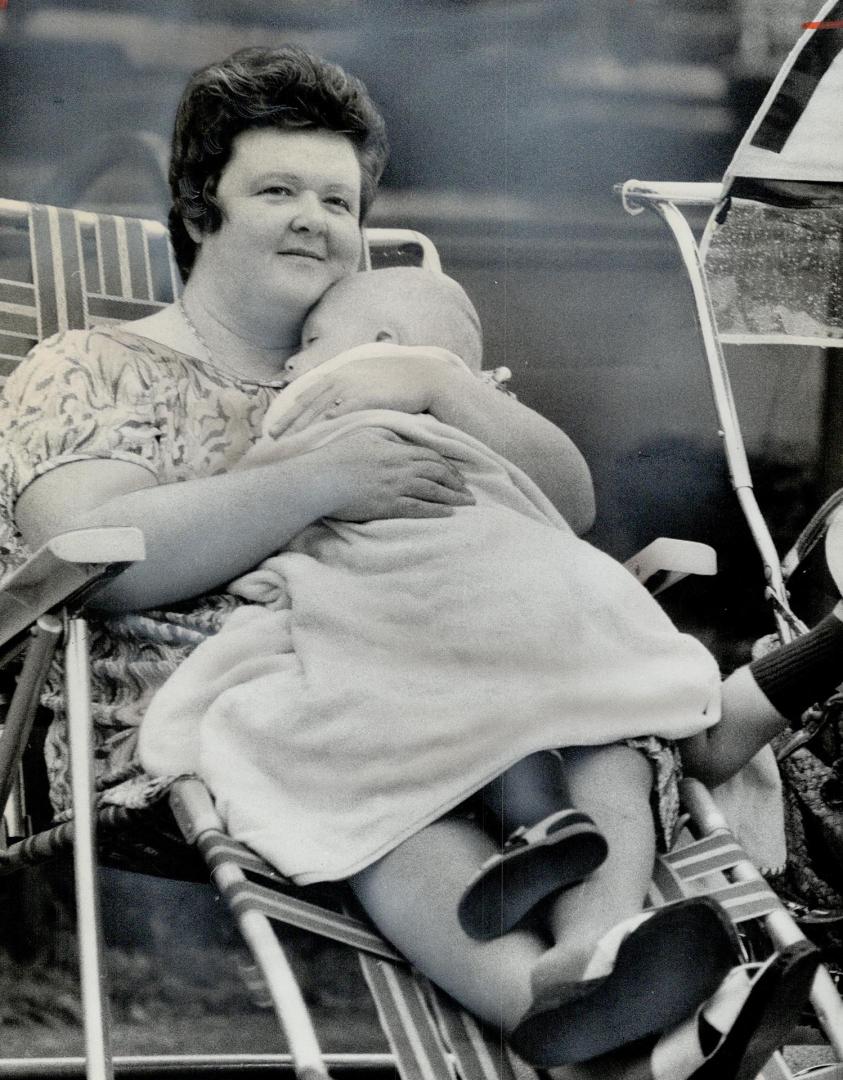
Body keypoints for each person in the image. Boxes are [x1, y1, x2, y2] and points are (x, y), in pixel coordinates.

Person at [0, 42, 828, 1079]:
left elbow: (561, 506)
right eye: (276, 189)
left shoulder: (389, 355)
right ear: (199, 208)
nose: (314, 217)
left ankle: (599, 962)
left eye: (339, 201)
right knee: (379, 734)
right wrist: (320, 479)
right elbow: (95, 552)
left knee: (604, 705)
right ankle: (581, 1028)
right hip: (249, 698)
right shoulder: (92, 366)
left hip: (460, 660)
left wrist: (441, 380)